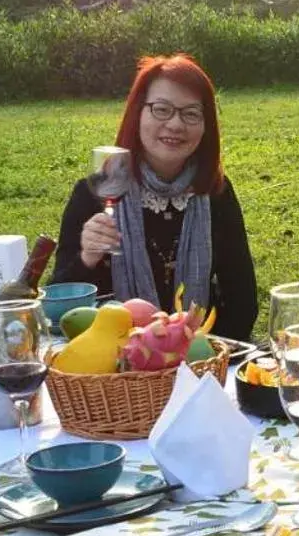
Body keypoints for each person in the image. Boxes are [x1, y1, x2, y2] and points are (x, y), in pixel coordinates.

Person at [51, 55, 258, 342]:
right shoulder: (94, 194)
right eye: (162, 109)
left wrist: (198, 356)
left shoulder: (215, 193)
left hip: (200, 358)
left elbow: (242, 302)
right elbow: (60, 311)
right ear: (138, 113)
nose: (175, 124)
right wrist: (88, 257)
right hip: (116, 365)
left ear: (206, 125)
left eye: (191, 114)